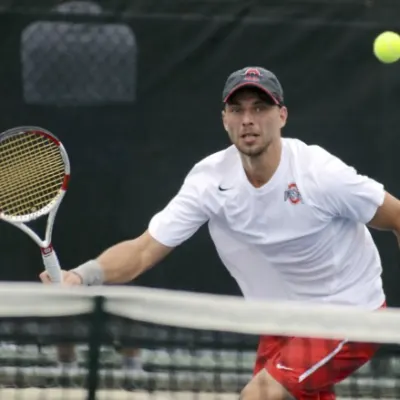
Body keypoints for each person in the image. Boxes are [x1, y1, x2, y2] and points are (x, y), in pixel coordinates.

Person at [40, 66, 400, 400]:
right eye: (238, 110)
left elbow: (397, 216)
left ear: (282, 116)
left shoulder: (321, 174)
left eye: (260, 108)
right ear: (225, 119)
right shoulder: (209, 180)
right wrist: (79, 277)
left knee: (258, 396)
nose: (249, 120)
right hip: (282, 320)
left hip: (350, 312)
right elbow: (143, 250)